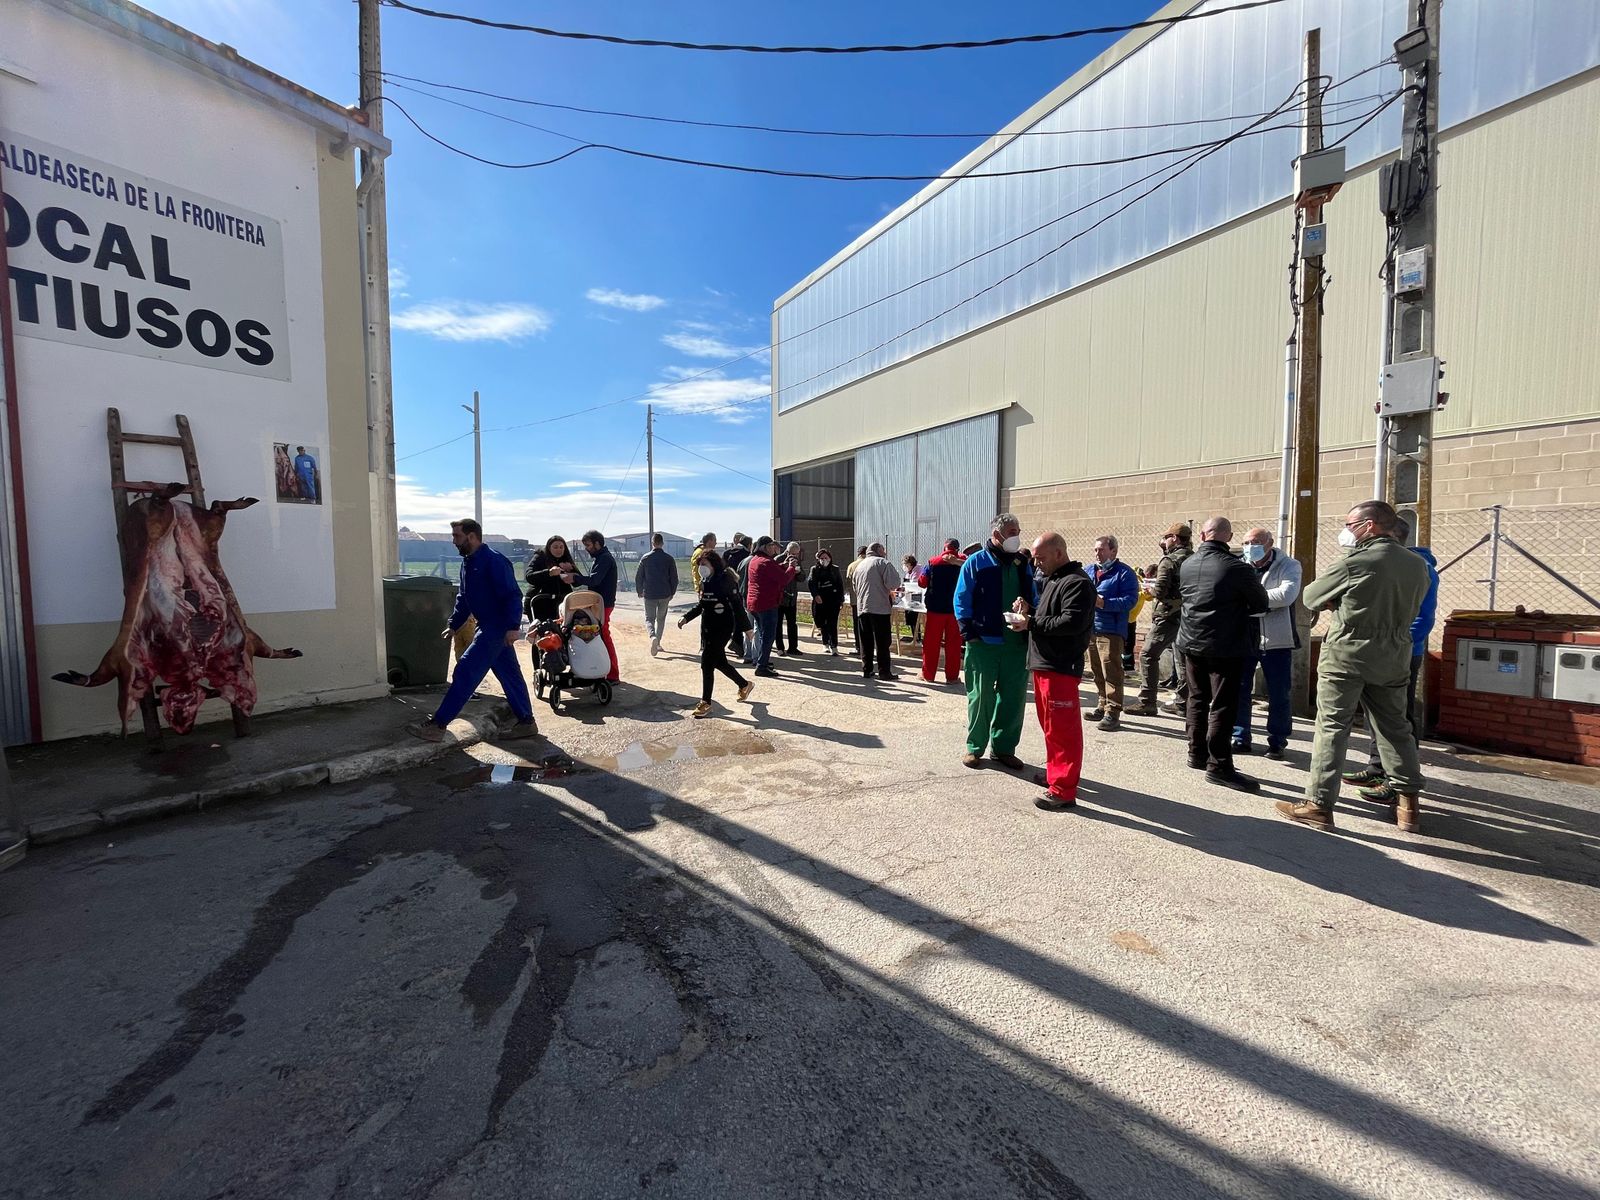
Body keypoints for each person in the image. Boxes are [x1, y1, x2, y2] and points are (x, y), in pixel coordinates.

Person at [1278, 501, 1431, 833]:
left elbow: (1311, 597)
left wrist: (1339, 601)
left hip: (1347, 654)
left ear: (1371, 525)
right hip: (1394, 654)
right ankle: (1408, 803)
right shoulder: (1417, 565)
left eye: (1351, 524)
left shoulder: (1356, 562)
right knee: (1395, 727)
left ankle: (1318, 804)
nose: (1347, 531)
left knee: (1333, 727)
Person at [408, 519, 537, 742]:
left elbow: (512, 595)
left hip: (496, 628)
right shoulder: (468, 563)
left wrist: (513, 627)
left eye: (457, 536)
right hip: (486, 626)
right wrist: (453, 624)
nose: (453, 541)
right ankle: (527, 722)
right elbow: (464, 599)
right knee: (510, 675)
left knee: (466, 671)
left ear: (472, 536)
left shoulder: (494, 561)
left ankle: (437, 725)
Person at [1343, 520, 1439, 803]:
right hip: (1379, 651)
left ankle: (1398, 781)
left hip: (1401, 652)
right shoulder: (1387, 563)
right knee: (1375, 715)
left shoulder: (1419, 567)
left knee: (1399, 718)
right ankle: (1377, 768)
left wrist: (1395, 642)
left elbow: (1423, 617)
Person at [1176, 517, 1269, 792]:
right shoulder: (1236, 568)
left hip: (1192, 641)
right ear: (1228, 537)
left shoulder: (1188, 564)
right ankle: (1219, 765)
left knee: (1197, 697)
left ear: (1204, 535)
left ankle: (1196, 753)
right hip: (1225, 645)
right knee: (1223, 704)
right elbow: (1261, 602)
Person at [954, 513, 1037, 770]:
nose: (1017, 536)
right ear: (997, 535)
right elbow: (961, 599)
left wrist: (1028, 608)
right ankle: (974, 747)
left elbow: (1033, 596)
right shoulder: (976, 562)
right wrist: (969, 632)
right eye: (1012, 531)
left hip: (1015, 642)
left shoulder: (1022, 563)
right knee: (980, 696)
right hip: (983, 643)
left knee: (1012, 698)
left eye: (1018, 530)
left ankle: (1003, 748)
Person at [1021, 532, 1096, 810]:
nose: (1036, 564)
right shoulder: (1055, 579)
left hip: (1060, 667)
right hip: (1045, 665)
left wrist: (1031, 623)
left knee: (1063, 730)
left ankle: (1064, 789)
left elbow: (1070, 623)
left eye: (1040, 558)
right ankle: (1056, 776)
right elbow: (1048, 616)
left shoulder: (1077, 583)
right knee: (1051, 728)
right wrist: (1029, 612)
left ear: (1058, 553)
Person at [1231, 528, 1302, 760]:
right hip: (1244, 636)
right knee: (1240, 688)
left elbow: (1286, 595)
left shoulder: (1289, 565)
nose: (1250, 546)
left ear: (1270, 543)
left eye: (1256, 542)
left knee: (1279, 692)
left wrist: (1251, 600)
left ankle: (1278, 741)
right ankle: (1240, 737)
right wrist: (1261, 601)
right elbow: (1229, 595)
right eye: (1245, 542)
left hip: (1277, 639)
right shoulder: (1238, 565)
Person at [678, 549, 756, 718]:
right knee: (719, 663)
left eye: (704, 564)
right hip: (708, 628)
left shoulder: (725, 580)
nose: (701, 568)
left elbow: (737, 605)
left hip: (723, 628)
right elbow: (702, 606)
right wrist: (686, 617)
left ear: (713, 563)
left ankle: (706, 702)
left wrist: (747, 629)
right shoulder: (706, 581)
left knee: (707, 663)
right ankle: (744, 684)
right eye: (699, 565)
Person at [1129, 523, 1192, 717]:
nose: (1163, 542)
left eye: (1166, 538)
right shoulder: (1195, 558)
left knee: (1148, 654)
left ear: (1174, 538)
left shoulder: (1169, 560)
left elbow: (1161, 590)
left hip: (1168, 615)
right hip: (1189, 616)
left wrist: (1151, 589)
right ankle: (1183, 703)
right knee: (1182, 659)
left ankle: (1147, 701)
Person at [1085, 535, 1139, 732]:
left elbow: (1130, 600)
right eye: (1096, 550)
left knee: (1112, 672)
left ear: (1113, 551)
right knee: (1096, 669)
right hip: (1091, 628)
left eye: (1101, 550)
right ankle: (1102, 704)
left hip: (1111, 630)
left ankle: (1113, 711)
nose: (1097, 554)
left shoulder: (1124, 573)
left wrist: (1104, 603)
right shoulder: (1089, 570)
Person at [565, 530, 620, 683]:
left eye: (588, 545)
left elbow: (595, 580)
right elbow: (591, 580)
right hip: (600, 603)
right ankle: (603, 671)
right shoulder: (601, 558)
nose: (586, 549)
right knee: (599, 636)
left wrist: (575, 577)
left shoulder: (605, 559)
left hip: (603, 604)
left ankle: (613, 674)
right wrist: (575, 576)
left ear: (597, 543)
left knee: (603, 636)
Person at [745, 536, 796, 678]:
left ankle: (762, 661)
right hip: (766, 603)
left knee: (762, 634)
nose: (775, 549)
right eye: (772, 546)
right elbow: (784, 579)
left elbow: (773, 573)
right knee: (768, 636)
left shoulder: (755, 560)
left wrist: (783, 565)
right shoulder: (766, 562)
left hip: (754, 604)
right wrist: (791, 567)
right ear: (765, 547)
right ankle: (762, 666)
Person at [917, 538, 965, 684]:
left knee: (931, 643)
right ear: (957, 548)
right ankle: (952, 676)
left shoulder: (933, 561)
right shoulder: (964, 561)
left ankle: (928, 674)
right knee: (954, 644)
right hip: (955, 610)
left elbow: (922, 582)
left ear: (944, 548)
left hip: (935, 608)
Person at [853, 542, 902, 681]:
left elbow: (855, 587)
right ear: (878, 550)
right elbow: (893, 584)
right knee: (882, 642)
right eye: (883, 549)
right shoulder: (883, 563)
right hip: (879, 608)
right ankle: (884, 672)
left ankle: (867, 669)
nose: (885, 552)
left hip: (862, 607)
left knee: (866, 641)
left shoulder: (859, 565)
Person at [635, 533, 680, 657]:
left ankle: (652, 636)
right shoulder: (669, 558)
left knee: (649, 618)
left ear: (652, 543)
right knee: (661, 619)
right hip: (665, 593)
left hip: (649, 593)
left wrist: (639, 590)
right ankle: (658, 643)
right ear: (662, 543)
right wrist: (672, 592)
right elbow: (674, 578)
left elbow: (639, 576)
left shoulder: (645, 558)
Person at [523, 534, 575, 623]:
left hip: (561, 603)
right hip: (540, 602)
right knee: (544, 631)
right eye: (555, 547)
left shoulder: (566, 558)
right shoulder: (540, 557)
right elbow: (529, 576)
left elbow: (577, 582)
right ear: (549, 548)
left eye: (561, 547)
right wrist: (549, 573)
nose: (559, 550)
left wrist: (572, 571)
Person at [808, 549, 846, 655]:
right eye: (822, 558)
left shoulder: (835, 569)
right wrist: (816, 595)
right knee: (823, 623)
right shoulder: (814, 569)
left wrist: (841, 600)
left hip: (833, 600)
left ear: (830, 558)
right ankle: (825, 644)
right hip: (820, 600)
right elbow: (811, 583)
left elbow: (840, 585)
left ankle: (834, 645)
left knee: (833, 623)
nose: (824, 560)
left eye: (826, 558)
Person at [723, 533, 753, 657]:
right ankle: (737, 642)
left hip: (726, 588)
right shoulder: (747, 556)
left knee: (730, 616)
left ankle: (734, 641)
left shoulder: (726, 553)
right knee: (740, 616)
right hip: (740, 589)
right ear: (749, 545)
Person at [777, 542, 805, 655]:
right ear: (787, 551)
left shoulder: (796, 560)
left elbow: (803, 577)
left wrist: (797, 573)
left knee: (792, 624)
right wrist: (786, 567)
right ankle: (780, 647)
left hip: (792, 598)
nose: (794, 556)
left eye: (797, 554)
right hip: (779, 598)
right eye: (793, 554)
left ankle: (793, 647)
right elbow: (776, 576)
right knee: (778, 624)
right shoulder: (779, 559)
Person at [845, 545, 868, 656]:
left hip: (856, 600)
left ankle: (859, 647)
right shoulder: (871, 564)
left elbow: (848, 583)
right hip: (869, 600)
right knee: (869, 625)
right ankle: (870, 648)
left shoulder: (852, 566)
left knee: (857, 624)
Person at [901, 555, 921, 643]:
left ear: (909, 564)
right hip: (910, 596)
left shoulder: (917, 570)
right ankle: (915, 636)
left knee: (914, 617)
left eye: (905, 564)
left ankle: (917, 637)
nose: (904, 567)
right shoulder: (910, 571)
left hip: (917, 597)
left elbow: (913, 585)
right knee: (911, 617)